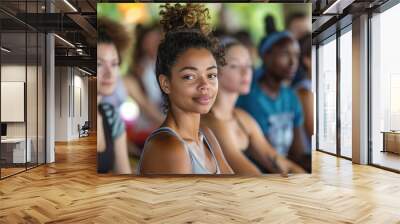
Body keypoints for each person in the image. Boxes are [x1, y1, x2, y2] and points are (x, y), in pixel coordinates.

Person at [138, 3, 233, 175]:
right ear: (166, 83)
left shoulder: (206, 136)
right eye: (189, 76)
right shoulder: (168, 147)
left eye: (211, 75)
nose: (205, 85)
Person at [202, 37, 304, 175]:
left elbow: (278, 161)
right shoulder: (210, 121)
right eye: (235, 66)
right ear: (215, 72)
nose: (246, 73)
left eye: (249, 65)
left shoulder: (242, 117)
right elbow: (252, 175)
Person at [236, 31, 308, 169]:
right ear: (266, 56)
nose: (293, 62)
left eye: (296, 56)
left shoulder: (291, 97)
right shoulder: (251, 98)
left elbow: (298, 151)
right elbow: (268, 158)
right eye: (285, 54)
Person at [97, 17, 132, 174]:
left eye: (114, 64)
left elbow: (124, 177)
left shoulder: (111, 115)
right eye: (99, 64)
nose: (109, 73)